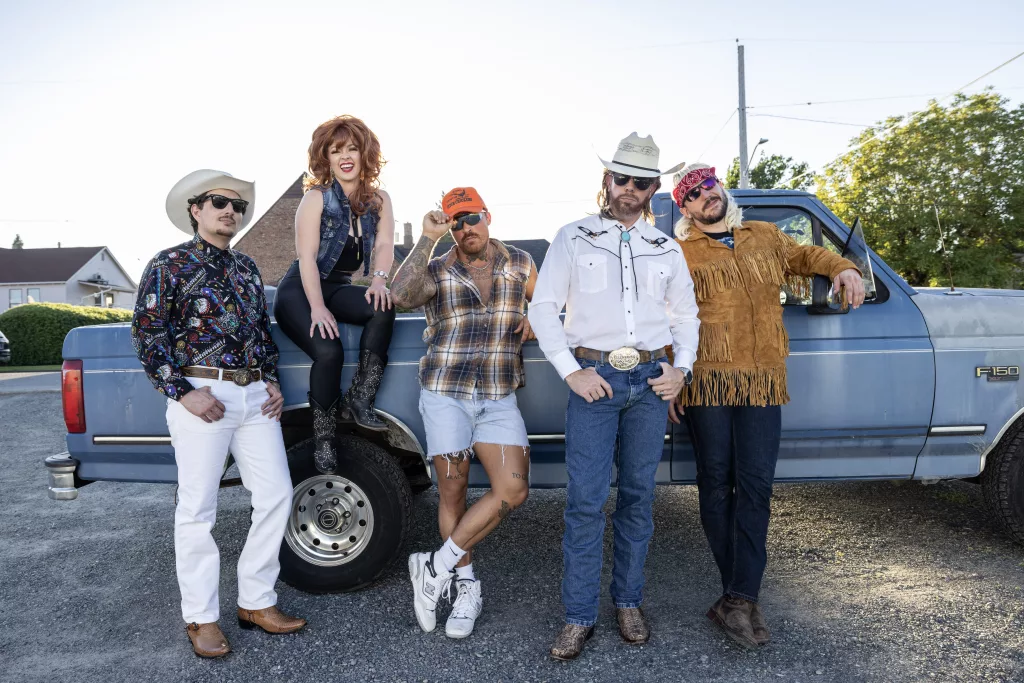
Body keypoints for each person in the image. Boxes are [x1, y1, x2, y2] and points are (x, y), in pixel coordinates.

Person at [667, 163, 864, 649]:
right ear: (685, 208)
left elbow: (807, 255)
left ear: (719, 189)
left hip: (761, 380)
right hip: (706, 381)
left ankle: (736, 598)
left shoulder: (765, 235)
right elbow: (663, 315)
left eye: (708, 186)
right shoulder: (677, 253)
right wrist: (671, 375)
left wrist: (844, 267)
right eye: (692, 194)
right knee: (715, 483)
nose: (704, 196)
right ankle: (740, 599)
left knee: (756, 484)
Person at [528, 134, 700, 660]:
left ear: (654, 189)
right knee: (584, 501)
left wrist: (681, 371)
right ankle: (578, 616)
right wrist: (570, 373)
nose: (629, 189)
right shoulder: (573, 237)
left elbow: (686, 316)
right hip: (594, 380)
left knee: (638, 498)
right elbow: (543, 309)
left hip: (649, 383)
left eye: (641, 182)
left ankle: (628, 602)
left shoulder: (666, 247)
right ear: (607, 181)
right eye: (621, 178)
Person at [131, 169, 305, 658]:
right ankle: (202, 618)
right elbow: (148, 336)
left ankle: (256, 601)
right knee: (197, 510)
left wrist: (272, 381)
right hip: (199, 394)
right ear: (195, 209)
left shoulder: (248, 267)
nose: (231, 211)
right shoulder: (168, 265)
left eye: (238, 206)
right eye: (219, 202)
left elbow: (260, 334)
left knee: (276, 495)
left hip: (253, 397)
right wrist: (183, 392)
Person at [391, 187, 536, 639]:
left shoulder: (521, 263)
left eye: (470, 217)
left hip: (497, 395)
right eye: (455, 221)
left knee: (513, 490)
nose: (464, 228)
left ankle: (433, 567)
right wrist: (427, 238)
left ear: (487, 216)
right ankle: (465, 587)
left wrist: (538, 316)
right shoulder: (436, 269)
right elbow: (399, 295)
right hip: (446, 393)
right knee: (452, 494)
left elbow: (554, 300)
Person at [273, 115, 397, 474]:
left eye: (352, 148)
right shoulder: (316, 198)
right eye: (335, 150)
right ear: (324, 158)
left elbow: (386, 244)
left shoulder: (379, 201)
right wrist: (316, 308)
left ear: (365, 154)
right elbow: (307, 258)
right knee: (329, 351)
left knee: (382, 307)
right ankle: (324, 439)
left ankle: (361, 399)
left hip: (339, 286)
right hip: (301, 289)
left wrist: (378, 281)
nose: (345, 156)